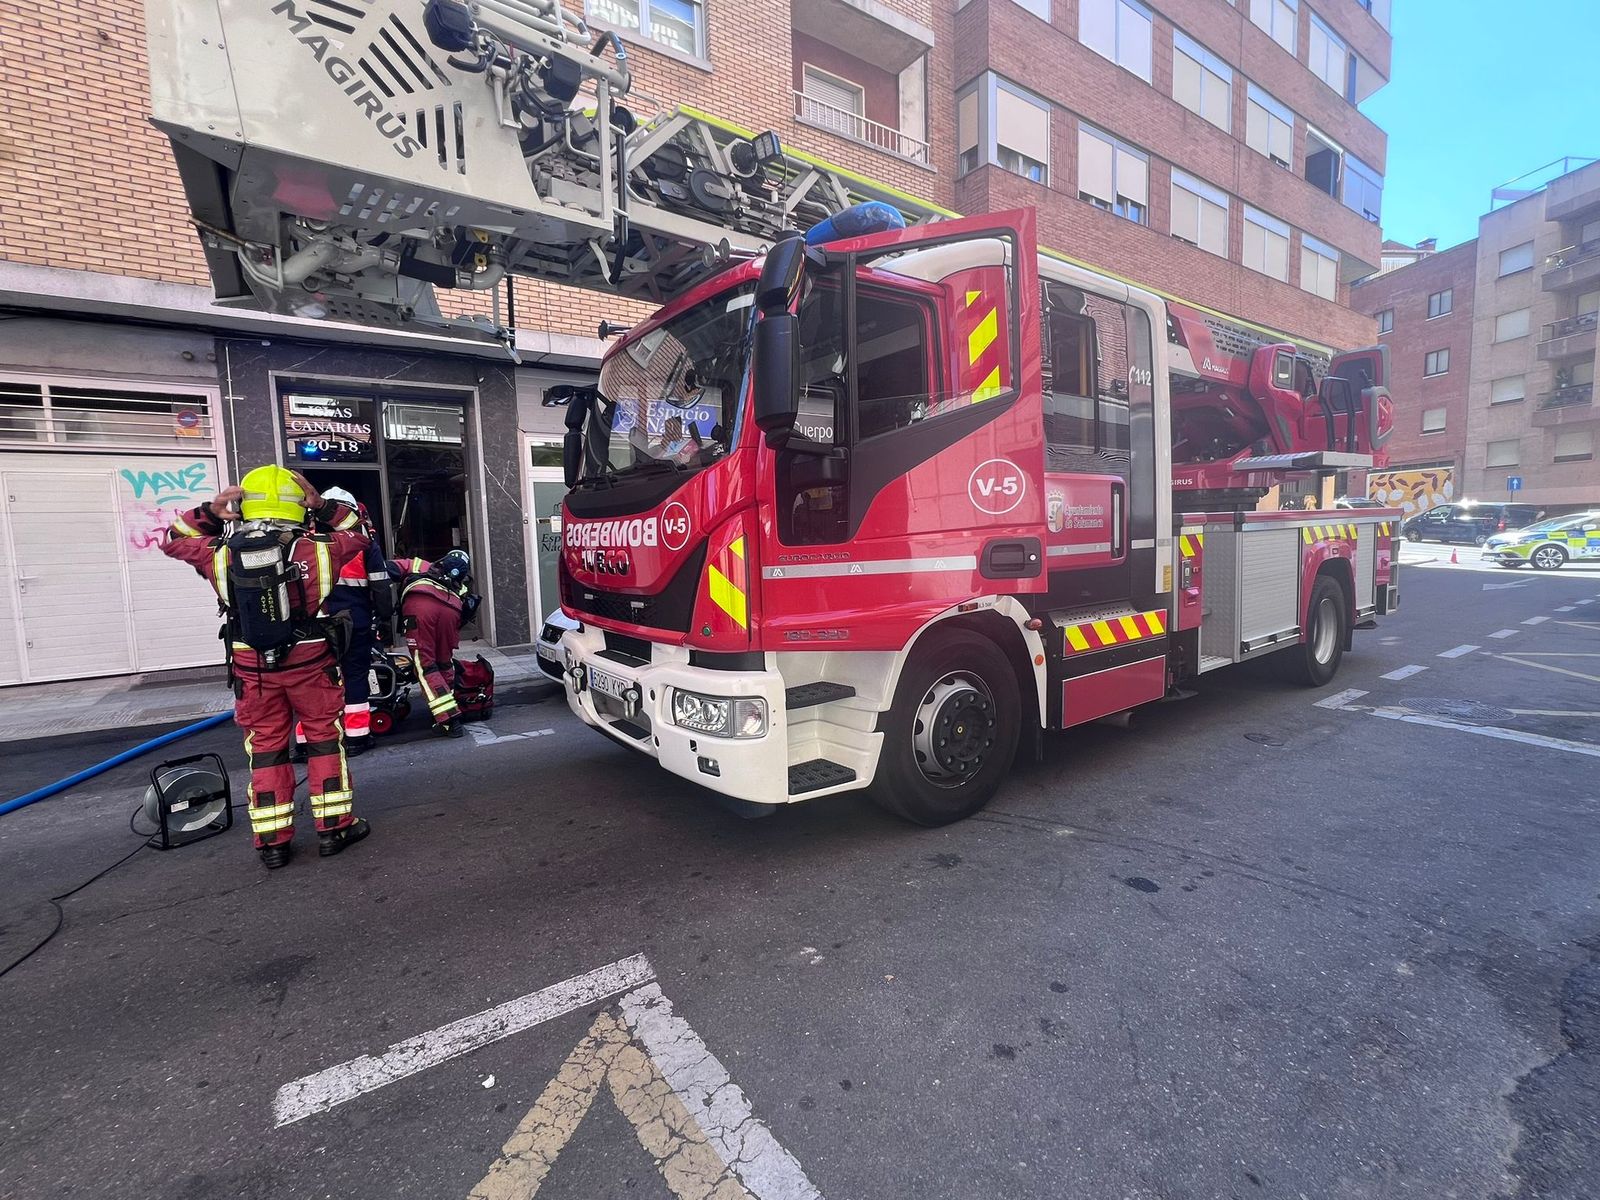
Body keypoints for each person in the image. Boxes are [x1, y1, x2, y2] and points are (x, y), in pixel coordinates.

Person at [161, 466, 373, 869]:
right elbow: (361, 530)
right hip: (312, 662)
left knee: (267, 749)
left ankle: (273, 840)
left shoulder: (220, 553)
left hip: (252, 668)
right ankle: (334, 828)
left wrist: (210, 511)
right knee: (324, 739)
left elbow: (173, 540)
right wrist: (323, 505)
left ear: (244, 506)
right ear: (298, 506)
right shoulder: (321, 547)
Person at [302, 487, 392, 757]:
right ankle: (356, 738)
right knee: (355, 677)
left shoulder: (305, 541)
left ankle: (307, 743)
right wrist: (385, 617)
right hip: (355, 622)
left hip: (314, 625)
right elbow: (380, 585)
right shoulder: (363, 542)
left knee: (313, 683)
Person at [389, 549, 477, 738]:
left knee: (426, 665)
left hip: (420, 607)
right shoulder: (461, 584)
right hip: (451, 611)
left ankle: (449, 719)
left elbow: (390, 568)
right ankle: (449, 707)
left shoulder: (422, 565)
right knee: (444, 663)